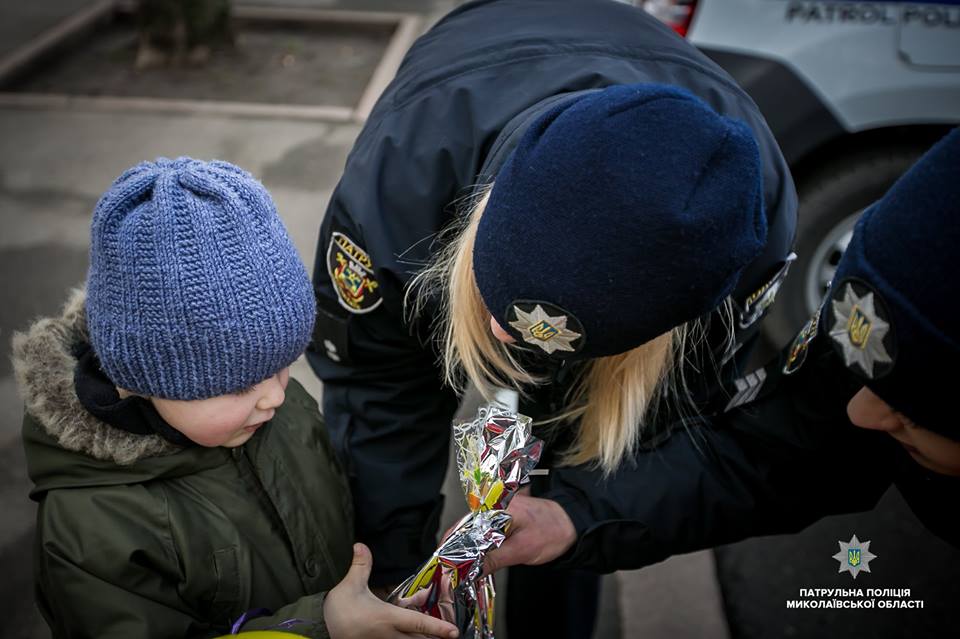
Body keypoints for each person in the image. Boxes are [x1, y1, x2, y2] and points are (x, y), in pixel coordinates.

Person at [307, 1, 797, 635]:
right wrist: (391, 581)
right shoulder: (403, 182)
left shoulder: (737, 240)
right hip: (483, 58)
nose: (511, 341)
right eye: (502, 310)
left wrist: (575, 522)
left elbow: (671, 441)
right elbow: (380, 395)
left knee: (578, 479)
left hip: (628, 336)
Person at [482, 126, 960, 577]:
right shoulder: (893, 345)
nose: (858, 412)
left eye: (910, 411)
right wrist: (572, 516)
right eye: (861, 377)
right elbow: (770, 451)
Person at [12, 158, 459, 639]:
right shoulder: (92, 530)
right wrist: (317, 628)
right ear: (145, 375)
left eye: (282, 365)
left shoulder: (272, 411)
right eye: (240, 384)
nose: (275, 396)